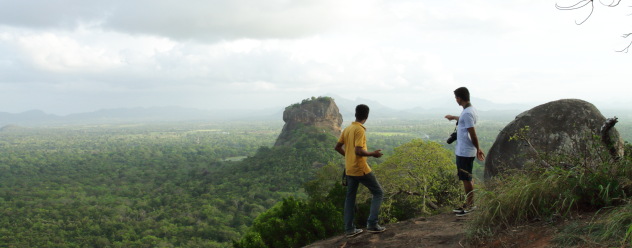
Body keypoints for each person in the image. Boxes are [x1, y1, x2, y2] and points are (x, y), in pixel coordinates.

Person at [334, 104, 385, 237]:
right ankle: (372, 224)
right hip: (360, 168)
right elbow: (358, 150)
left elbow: (338, 147)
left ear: (356, 114)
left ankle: (349, 229)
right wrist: (373, 153)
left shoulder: (348, 128)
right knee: (378, 192)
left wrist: (348, 157)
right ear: (366, 116)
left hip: (350, 169)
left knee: (350, 198)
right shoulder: (360, 130)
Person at [444, 87, 486, 216]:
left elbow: (473, 134)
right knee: (467, 177)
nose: (456, 100)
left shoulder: (467, 113)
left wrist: (478, 149)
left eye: (456, 98)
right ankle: (469, 202)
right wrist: (454, 117)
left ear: (459, 98)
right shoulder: (469, 110)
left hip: (465, 152)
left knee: (466, 179)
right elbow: (464, 120)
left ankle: (470, 205)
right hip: (465, 151)